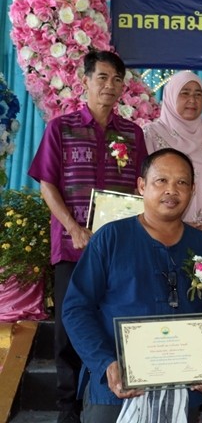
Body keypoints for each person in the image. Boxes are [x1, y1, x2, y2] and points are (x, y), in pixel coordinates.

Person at [62, 149, 202, 423]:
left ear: (192, 190)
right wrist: (105, 362)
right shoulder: (111, 238)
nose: (171, 190)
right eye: (161, 181)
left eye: (181, 182)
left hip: (184, 390)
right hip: (116, 391)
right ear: (142, 185)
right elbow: (76, 308)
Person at [27, 50, 147, 423]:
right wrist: (74, 228)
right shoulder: (60, 128)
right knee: (69, 329)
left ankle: (109, 396)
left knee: (113, 323)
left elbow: (142, 190)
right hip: (73, 248)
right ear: (85, 80)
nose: (109, 86)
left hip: (119, 252)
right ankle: (68, 408)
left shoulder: (132, 132)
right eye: (102, 78)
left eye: (116, 80)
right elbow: (47, 184)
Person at [143, 71, 202, 251]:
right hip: (159, 236)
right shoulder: (150, 134)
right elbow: (145, 186)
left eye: (198, 94)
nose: (192, 100)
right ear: (171, 95)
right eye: (184, 93)